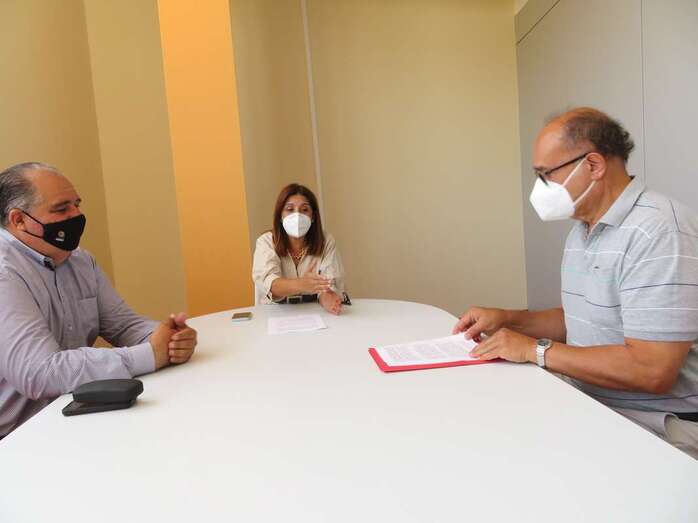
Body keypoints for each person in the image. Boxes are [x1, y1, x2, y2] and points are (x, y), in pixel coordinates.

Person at [453, 108, 698, 459]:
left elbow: (652, 370)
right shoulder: (583, 230)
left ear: (593, 165)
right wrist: (507, 319)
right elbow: (579, 320)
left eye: (546, 175)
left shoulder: (658, 231)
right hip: (594, 401)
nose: (540, 188)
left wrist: (535, 350)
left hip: (657, 423)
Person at [0, 162, 198, 438]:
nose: (77, 215)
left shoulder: (80, 261)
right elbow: (38, 373)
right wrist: (149, 355)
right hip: (14, 438)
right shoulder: (5, 272)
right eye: (62, 209)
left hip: (70, 417)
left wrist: (169, 339)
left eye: (77, 205)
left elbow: (123, 325)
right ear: (19, 220)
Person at [252, 183, 345, 314]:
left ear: (313, 216)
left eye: (304, 210)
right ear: (280, 216)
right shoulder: (266, 242)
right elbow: (269, 284)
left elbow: (329, 284)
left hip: (314, 312)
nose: (297, 216)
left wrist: (327, 298)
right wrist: (301, 284)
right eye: (290, 209)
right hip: (274, 312)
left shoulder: (326, 241)